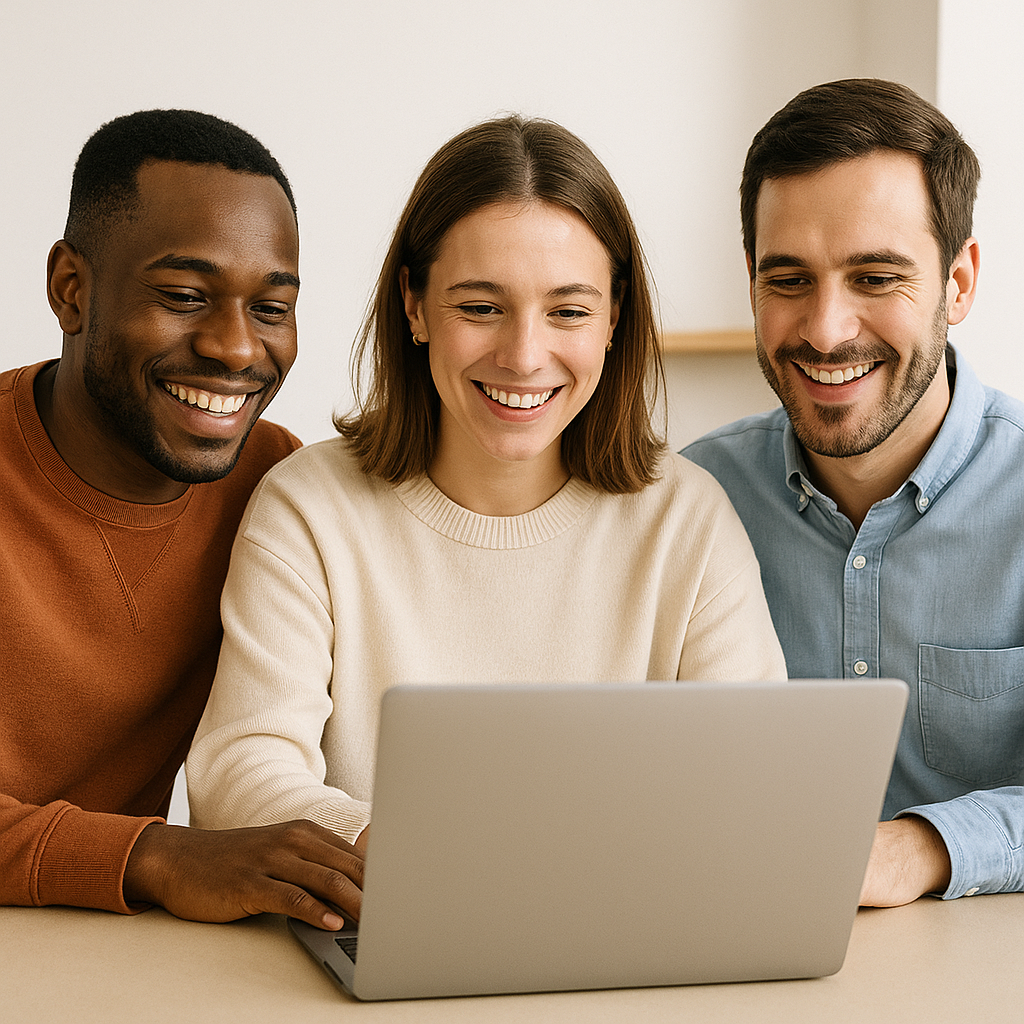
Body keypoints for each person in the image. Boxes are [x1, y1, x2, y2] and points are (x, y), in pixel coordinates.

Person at [186, 115, 787, 874]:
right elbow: (240, 771)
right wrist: (424, 861)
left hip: (627, 922)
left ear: (613, 318)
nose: (524, 356)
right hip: (385, 906)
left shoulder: (687, 518)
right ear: (413, 305)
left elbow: (754, 783)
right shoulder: (308, 508)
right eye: (480, 307)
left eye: (568, 311)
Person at [1, 109, 365, 932]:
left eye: (271, 308)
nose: (236, 348)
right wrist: (156, 857)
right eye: (184, 297)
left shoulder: (278, 486)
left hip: (120, 949)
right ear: (71, 289)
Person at [684, 78, 1024, 907]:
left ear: (959, 282)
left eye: (874, 277)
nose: (826, 330)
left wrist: (920, 849)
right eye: (788, 280)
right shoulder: (689, 504)